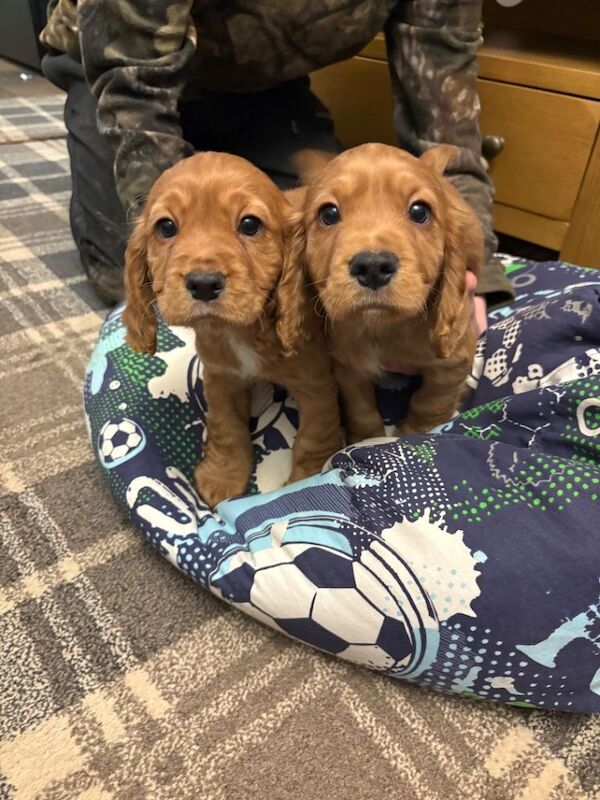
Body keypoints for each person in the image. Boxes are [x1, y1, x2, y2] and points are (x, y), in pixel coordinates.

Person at [40, 0, 514, 324]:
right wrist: (170, 223)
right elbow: (130, 85)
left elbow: (445, 120)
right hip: (121, 76)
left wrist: (475, 277)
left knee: (306, 253)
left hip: (265, 89)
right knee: (145, 285)